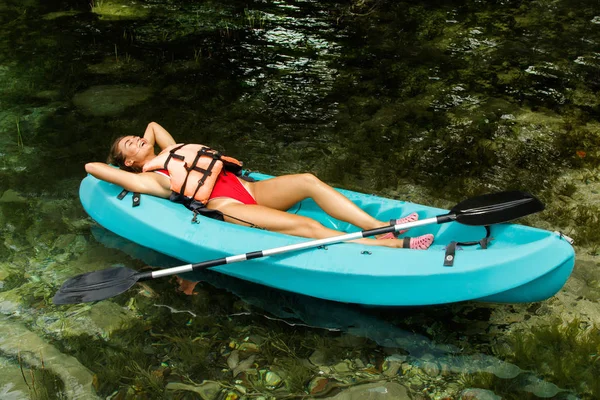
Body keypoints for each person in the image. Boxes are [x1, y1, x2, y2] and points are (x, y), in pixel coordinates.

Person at [85, 122, 434, 249]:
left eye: (134, 138)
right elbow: (93, 167)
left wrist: (143, 146)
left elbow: (153, 126)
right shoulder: (148, 179)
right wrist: (133, 162)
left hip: (247, 187)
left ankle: (380, 226)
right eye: (129, 145)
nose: (136, 138)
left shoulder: (166, 151)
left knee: (307, 180)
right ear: (128, 163)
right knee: (305, 226)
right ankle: (393, 246)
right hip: (228, 207)